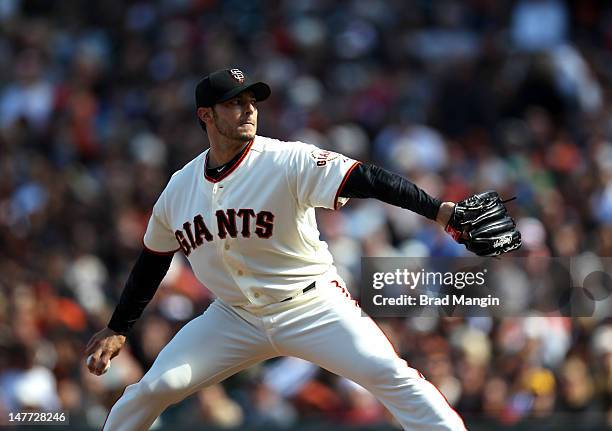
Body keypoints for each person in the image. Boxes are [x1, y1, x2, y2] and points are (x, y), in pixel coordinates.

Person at [85, 67, 467, 430]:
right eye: (235, 102)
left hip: (311, 305)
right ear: (206, 115)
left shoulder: (286, 159)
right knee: (152, 389)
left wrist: (438, 210)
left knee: (388, 373)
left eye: (252, 101)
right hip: (234, 317)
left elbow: (366, 178)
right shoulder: (179, 188)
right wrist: (119, 327)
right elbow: (153, 260)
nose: (248, 109)